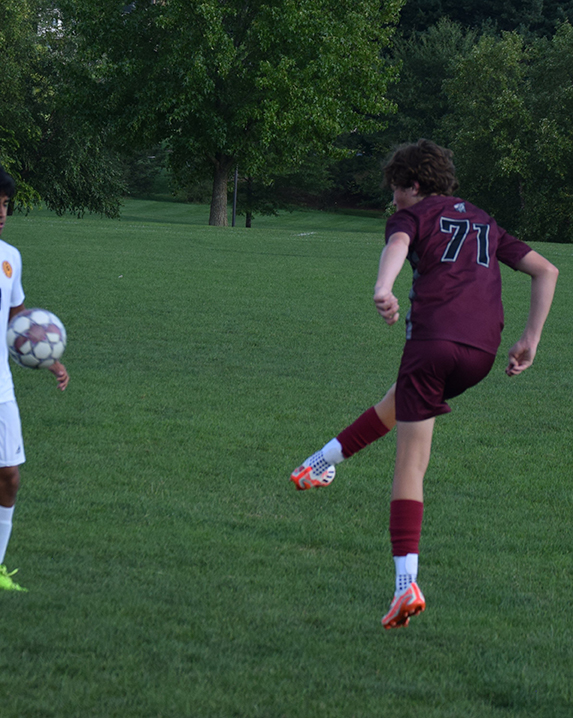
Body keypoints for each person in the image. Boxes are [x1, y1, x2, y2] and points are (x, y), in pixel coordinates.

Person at [290, 140, 559, 629]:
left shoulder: (411, 216)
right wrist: (530, 340)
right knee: (400, 402)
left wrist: (383, 287)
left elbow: (396, 247)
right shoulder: (483, 219)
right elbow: (547, 270)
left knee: (410, 464)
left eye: (396, 189)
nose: (392, 199)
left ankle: (405, 585)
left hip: (434, 341)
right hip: (481, 354)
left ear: (413, 185)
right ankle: (320, 463)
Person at [0, 166, 70, 592]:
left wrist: (49, 360)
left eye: (5, 204)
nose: (1, 213)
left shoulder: (10, 258)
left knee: (9, 475)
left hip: (0, 387)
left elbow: (17, 321)